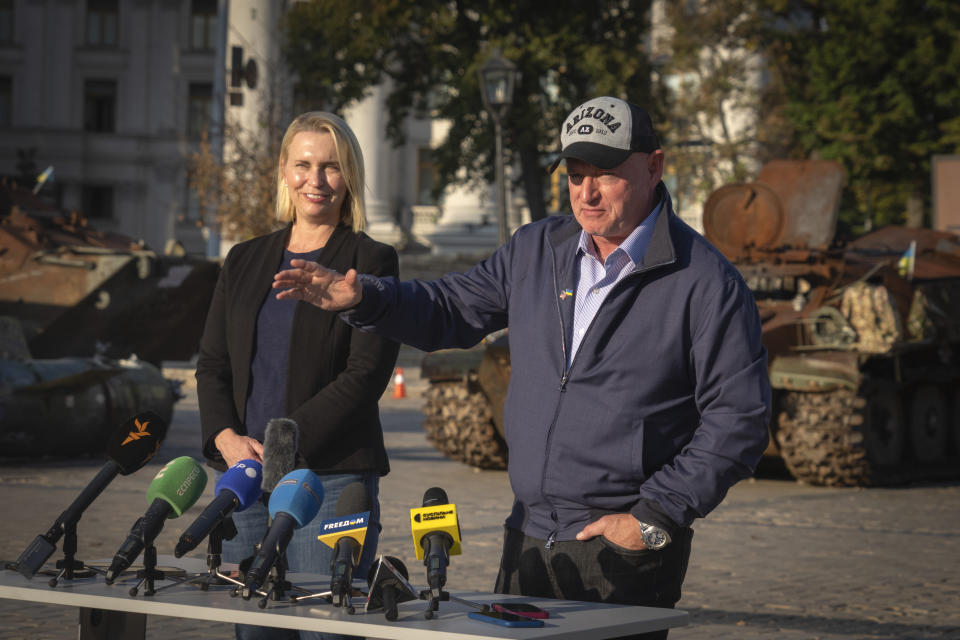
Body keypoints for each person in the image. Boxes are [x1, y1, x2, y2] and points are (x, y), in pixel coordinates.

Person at [273, 96, 771, 639]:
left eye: (605, 174)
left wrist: (653, 518)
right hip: (527, 539)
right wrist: (364, 298)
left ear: (653, 166)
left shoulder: (706, 282)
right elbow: (449, 309)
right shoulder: (538, 247)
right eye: (575, 174)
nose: (587, 192)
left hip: (622, 554)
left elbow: (738, 420)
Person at [196, 111, 400, 640]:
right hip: (245, 480)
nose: (317, 180)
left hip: (328, 480)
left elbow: (365, 375)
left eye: (331, 167)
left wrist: (282, 442)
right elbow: (214, 364)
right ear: (285, 171)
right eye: (304, 164)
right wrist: (224, 437)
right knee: (256, 631)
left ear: (349, 175)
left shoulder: (370, 259)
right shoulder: (244, 260)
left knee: (323, 629)